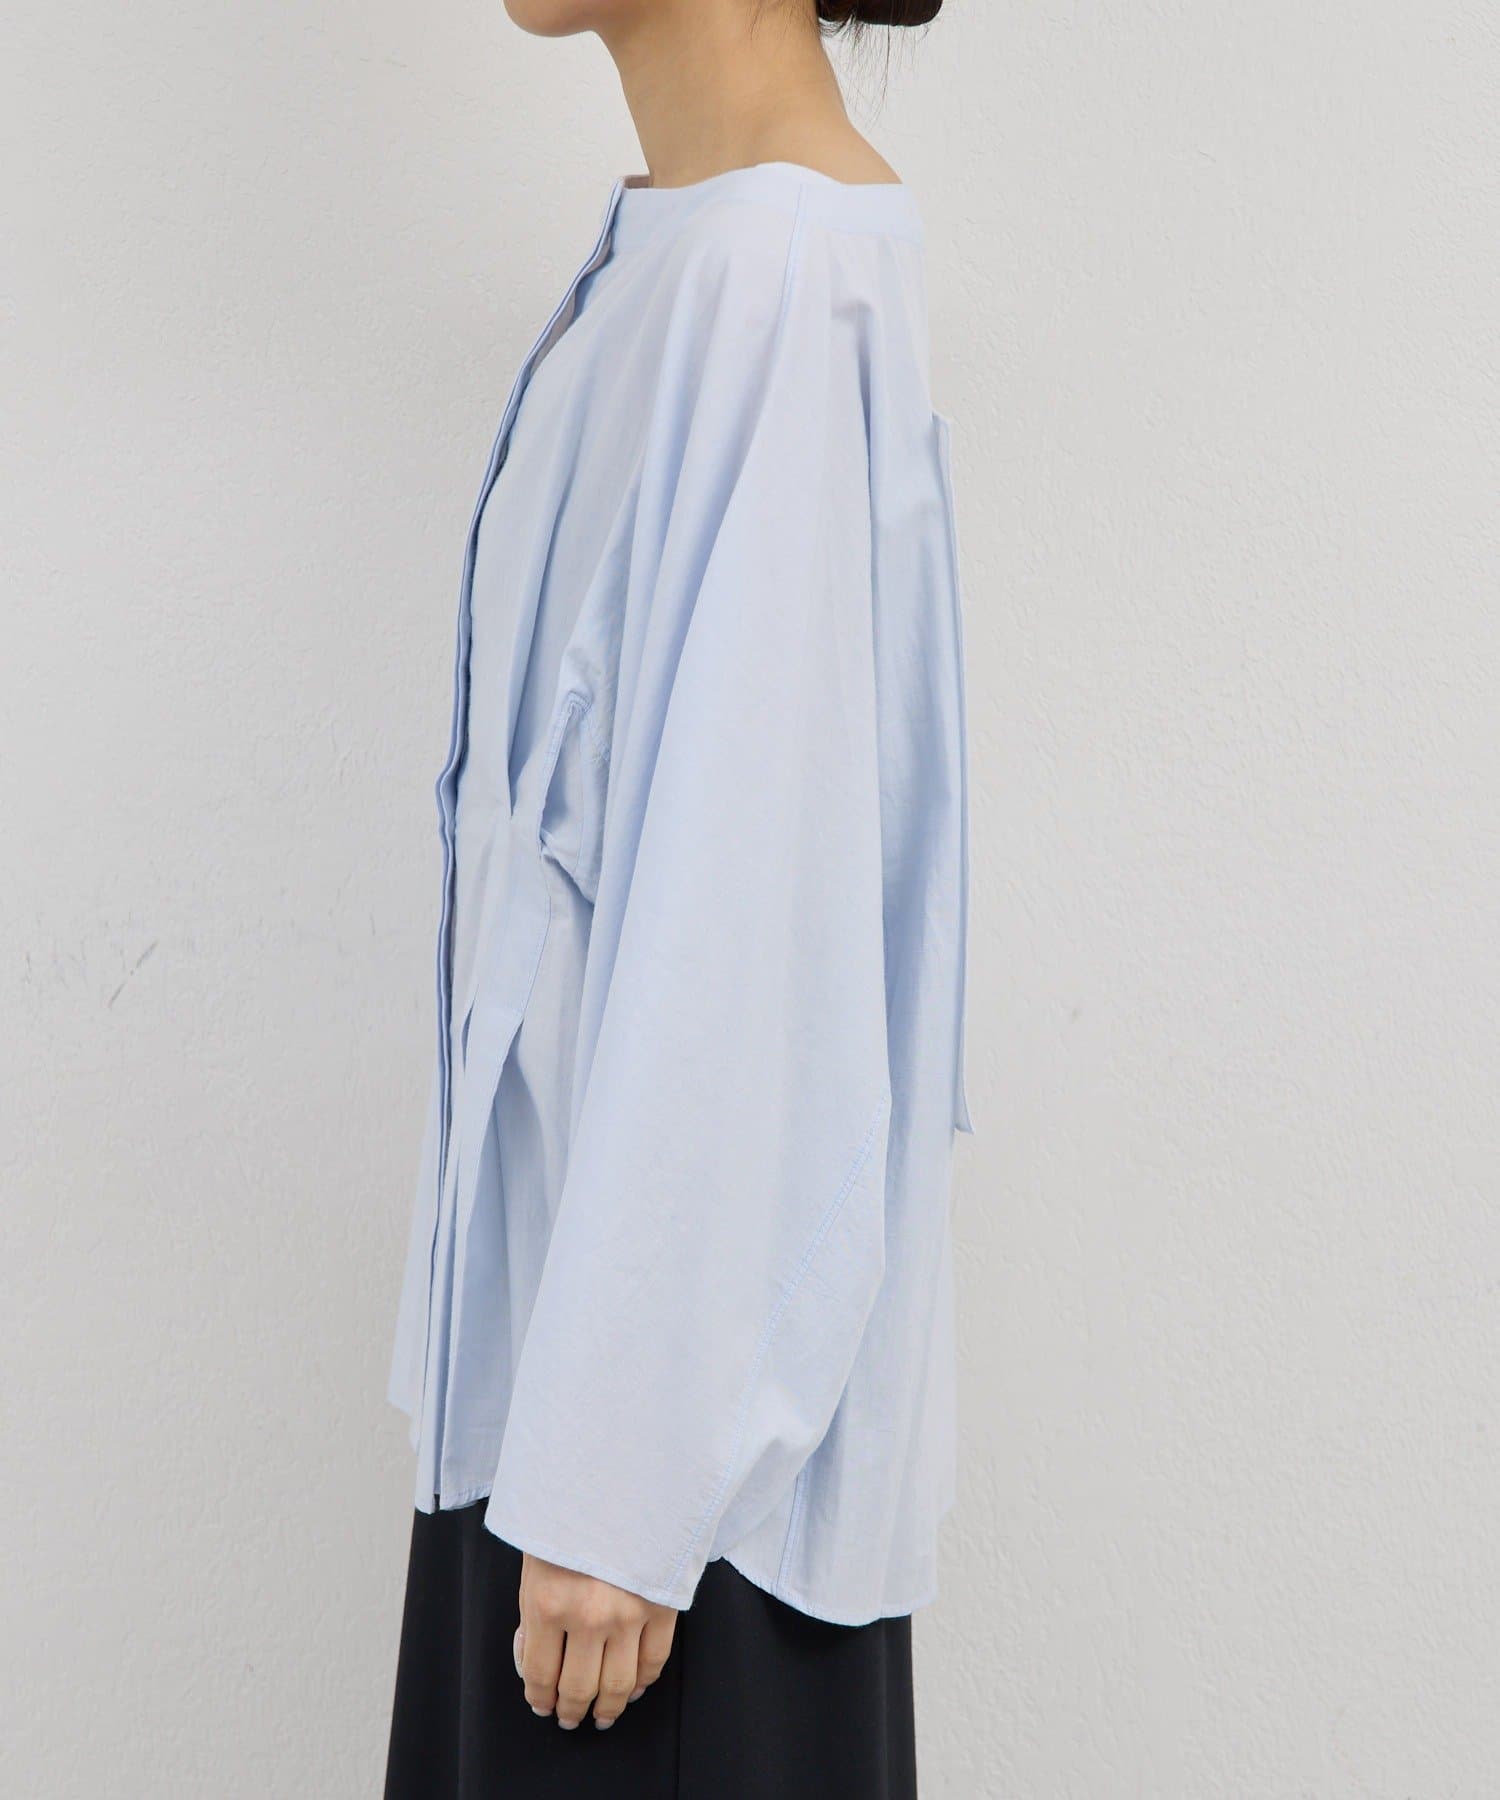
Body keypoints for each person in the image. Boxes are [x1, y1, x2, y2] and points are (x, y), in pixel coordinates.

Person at [382, 0, 970, 1792]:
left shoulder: (773, 277)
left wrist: (621, 1489)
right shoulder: (698, 248)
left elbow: (757, 920)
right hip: (579, 1438)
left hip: (652, 1532)